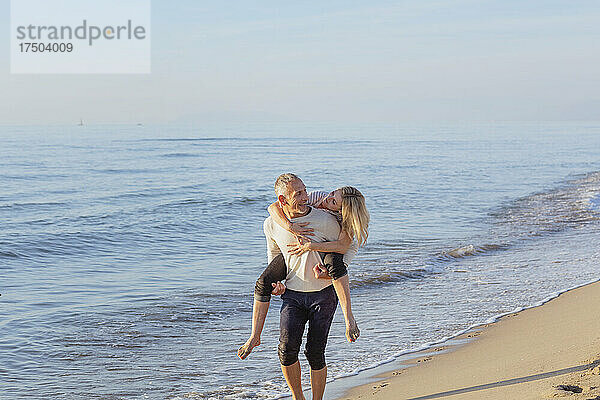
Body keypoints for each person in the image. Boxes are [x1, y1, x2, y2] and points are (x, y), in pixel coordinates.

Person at [237, 173, 369, 400]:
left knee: (315, 353)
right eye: (297, 193)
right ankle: (298, 397)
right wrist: (278, 284)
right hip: (293, 296)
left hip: (324, 296)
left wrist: (327, 274)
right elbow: (275, 255)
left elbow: (345, 251)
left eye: (304, 191)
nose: (305, 196)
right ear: (283, 199)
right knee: (286, 351)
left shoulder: (330, 220)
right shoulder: (272, 223)